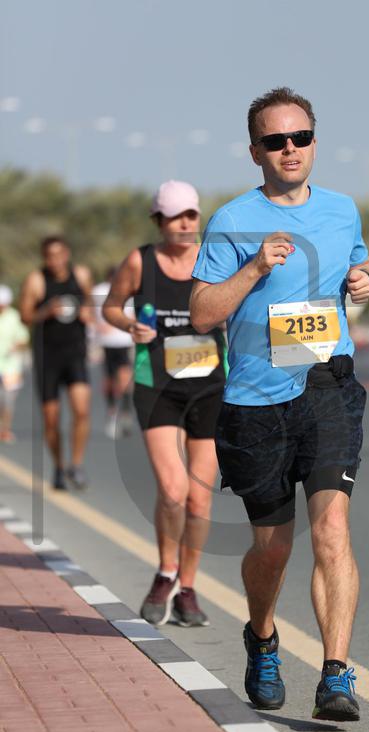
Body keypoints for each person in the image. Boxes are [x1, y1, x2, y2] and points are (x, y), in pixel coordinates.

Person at [190, 87, 369, 721]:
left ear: (315, 143)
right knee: (272, 547)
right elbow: (201, 314)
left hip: (327, 386)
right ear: (255, 152)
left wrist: (364, 278)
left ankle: (336, 675)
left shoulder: (342, 210)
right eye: (275, 141)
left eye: (300, 137)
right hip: (256, 400)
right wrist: (253, 270)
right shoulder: (231, 221)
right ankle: (263, 637)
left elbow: (360, 263)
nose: (290, 149)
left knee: (332, 530)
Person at [103, 181, 226, 627]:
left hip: (210, 386)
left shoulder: (213, 258)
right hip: (157, 385)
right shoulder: (141, 261)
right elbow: (111, 307)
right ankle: (165, 572)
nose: (185, 224)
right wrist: (129, 325)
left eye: (191, 214)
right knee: (173, 491)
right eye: (175, 217)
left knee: (199, 501)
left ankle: (187, 588)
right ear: (159, 221)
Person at [20, 236, 93, 490]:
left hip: (75, 354)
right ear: (44, 258)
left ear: (67, 253)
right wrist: (45, 312)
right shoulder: (36, 280)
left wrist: (88, 312)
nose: (55, 261)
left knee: (81, 411)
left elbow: (90, 303)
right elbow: (25, 316)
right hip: (47, 357)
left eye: (59, 254)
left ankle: (76, 464)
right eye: (49, 256)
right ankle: (59, 467)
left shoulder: (81, 275)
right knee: (51, 419)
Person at [92, 267, 134, 438]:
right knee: (110, 379)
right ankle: (112, 412)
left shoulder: (129, 290)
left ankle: (124, 412)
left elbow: (134, 314)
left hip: (123, 341)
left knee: (124, 378)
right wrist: (97, 326)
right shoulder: (98, 291)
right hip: (107, 342)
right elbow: (89, 312)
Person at [0, 285, 30, 443]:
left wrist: (15, 346)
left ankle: (4, 430)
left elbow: (24, 339)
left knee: (8, 401)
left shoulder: (14, 317)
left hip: (11, 367)